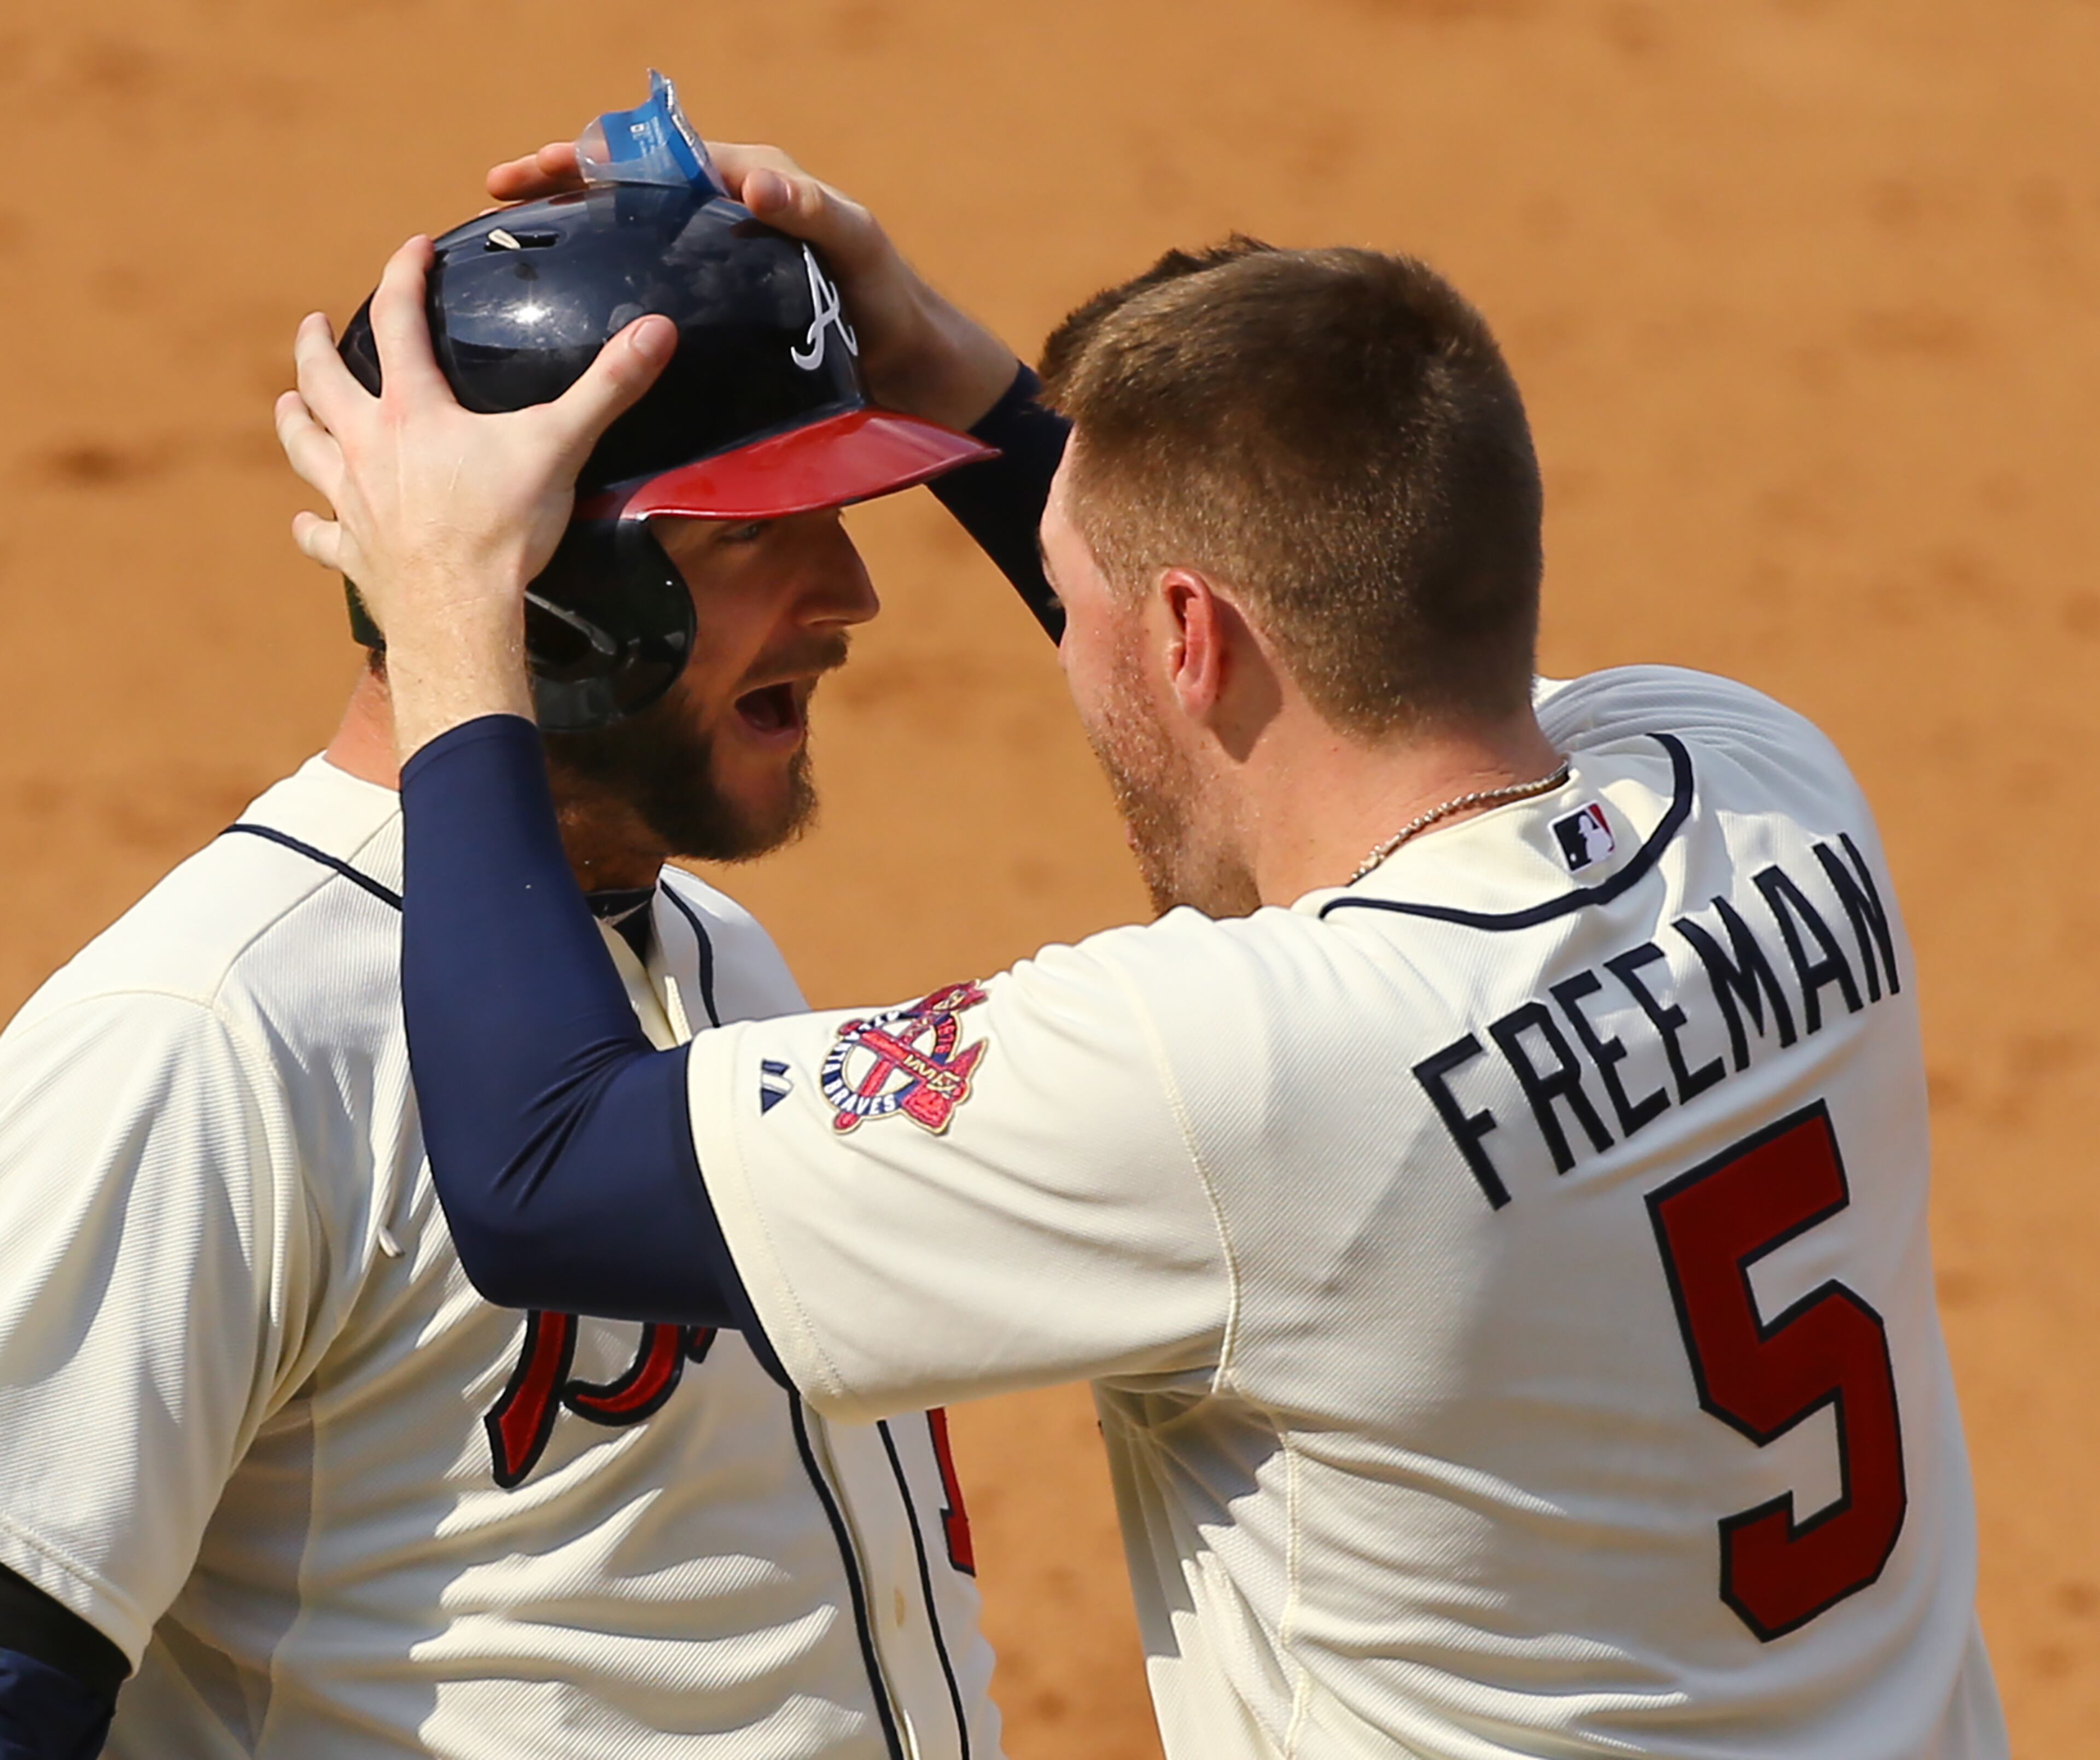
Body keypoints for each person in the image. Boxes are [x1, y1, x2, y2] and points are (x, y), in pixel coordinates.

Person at [280, 141, 2009, 1759]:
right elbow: (1334, 672)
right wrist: (952, 372)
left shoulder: (1228, 1078)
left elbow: (540, 1168)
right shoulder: (1760, 783)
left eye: (1070, 587)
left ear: (1187, 630)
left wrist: (451, 614)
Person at [0, 148, 1041, 1760]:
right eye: (766, 534)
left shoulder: (719, 955)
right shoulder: (206, 1040)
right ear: (546, 579)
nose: (855, 597)